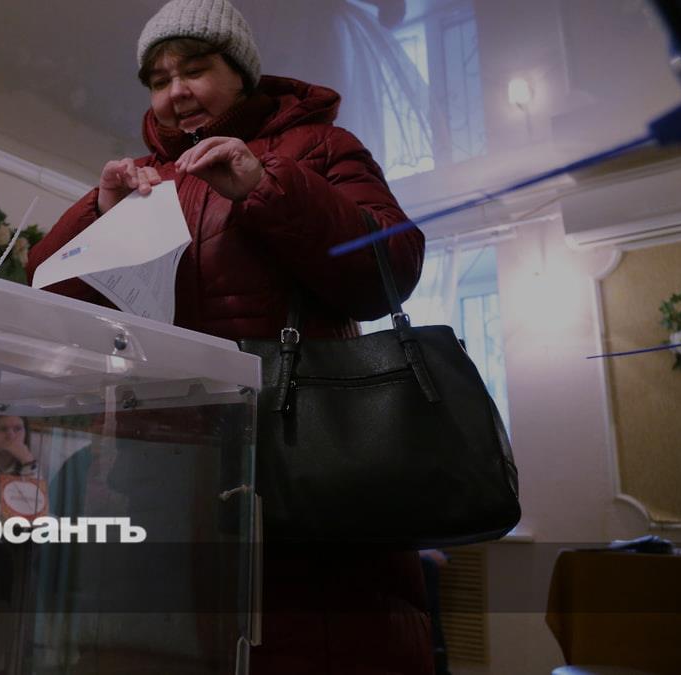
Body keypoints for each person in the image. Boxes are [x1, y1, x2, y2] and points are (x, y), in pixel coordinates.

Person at [26, 0, 431, 672]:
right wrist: (99, 212)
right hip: (165, 473)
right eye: (159, 80)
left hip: (304, 463)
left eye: (194, 69)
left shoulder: (322, 147)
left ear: (241, 71)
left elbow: (393, 269)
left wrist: (264, 185)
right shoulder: (143, 181)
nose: (175, 92)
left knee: (316, 645)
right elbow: (46, 295)